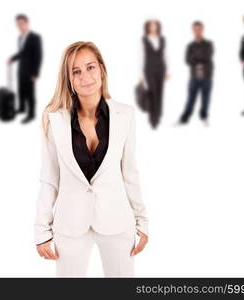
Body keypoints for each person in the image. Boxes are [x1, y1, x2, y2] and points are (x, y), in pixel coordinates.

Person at [34, 41, 149, 277]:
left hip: (117, 221)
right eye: (76, 71)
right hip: (70, 225)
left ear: (102, 70)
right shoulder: (54, 119)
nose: (85, 76)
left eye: (90, 67)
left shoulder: (125, 115)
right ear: (69, 80)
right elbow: (49, 179)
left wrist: (142, 220)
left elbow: (130, 172)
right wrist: (41, 231)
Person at [8, 14, 43, 124]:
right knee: (21, 90)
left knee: (30, 93)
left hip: (30, 71)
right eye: (18, 24)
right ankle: (21, 108)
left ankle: (31, 114)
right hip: (21, 69)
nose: (20, 26)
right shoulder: (20, 38)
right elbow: (22, 53)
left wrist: (35, 73)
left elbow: (38, 56)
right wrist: (12, 58)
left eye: (22, 24)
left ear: (27, 23)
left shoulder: (35, 37)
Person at [178, 21, 214, 126]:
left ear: (202, 30)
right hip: (194, 76)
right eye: (195, 29)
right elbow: (187, 60)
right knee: (190, 98)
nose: (197, 31)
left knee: (205, 98)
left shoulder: (208, 44)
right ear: (193, 31)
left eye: (199, 29)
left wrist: (195, 57)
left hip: (207, 76)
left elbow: (207, 57)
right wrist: (198, 57)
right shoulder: (190, 46)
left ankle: (204, 117)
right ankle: (184, 118)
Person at [138, 19, 169, 129]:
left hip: (161, 69)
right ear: (148, 27)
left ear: (157, 27)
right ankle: (153, 119)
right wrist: (140, 75)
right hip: (149, 69)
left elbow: (166, 55)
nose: (153, 27)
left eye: (155, 25)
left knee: (160, 93)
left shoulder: (162, 39)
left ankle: (158, 115)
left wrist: (168, 72)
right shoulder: (144, 40)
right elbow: (141, 57)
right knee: (152, 92)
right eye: (151, 25)